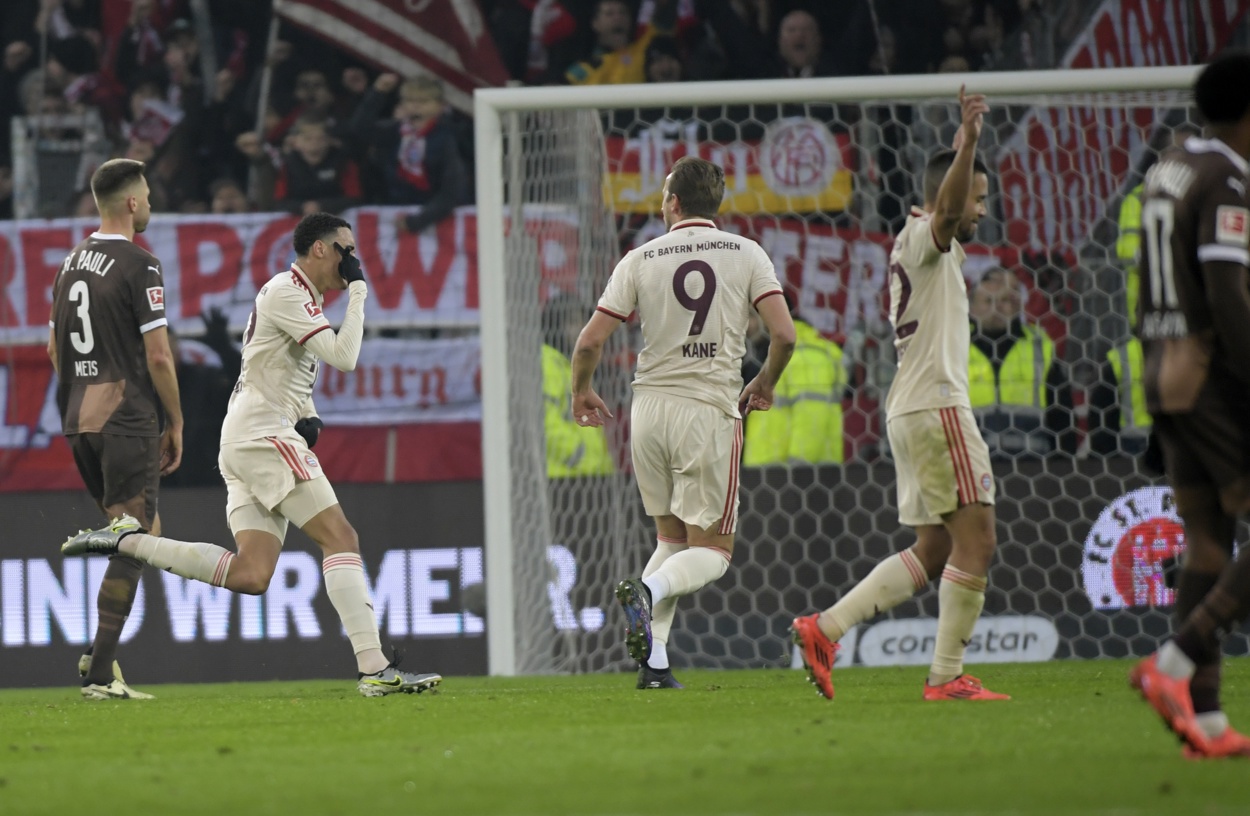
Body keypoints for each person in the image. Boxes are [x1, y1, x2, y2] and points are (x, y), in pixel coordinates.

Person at [63, 212, 441, 698]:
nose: (354, 261)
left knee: (251, 574)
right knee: (340, 536)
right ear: (320, 249)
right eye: (347, 251)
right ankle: (375, 668)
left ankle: (126, 542)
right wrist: (361, 292)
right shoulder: (287, 289)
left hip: (247, 436)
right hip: (262, 435)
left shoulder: (298, 296)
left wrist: (308, 411)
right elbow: (344, 357)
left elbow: (273, 365)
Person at [790, 87, 1010, 702]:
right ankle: (946, 676)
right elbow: (946, 213)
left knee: (936, 547)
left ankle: (824, 628)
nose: (981, 212)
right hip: (937, 408)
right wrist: (967, 142)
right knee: (980, 539)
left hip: (912, 409)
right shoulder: (924, 236)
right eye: (978, 200)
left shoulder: (926, 251)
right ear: (948, 195)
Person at [571, 156, 796, 690]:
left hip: (647, 411)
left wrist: (580, 390)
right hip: (707, 408)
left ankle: (654, 664)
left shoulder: (641, 257)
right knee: (713, 553)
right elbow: (784, 336)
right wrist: (764, 382)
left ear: (672, 203)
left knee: (670, 539)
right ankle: (646, 595)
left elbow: (589, 341)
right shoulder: (746, 253)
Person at [1129, 51, 1250, 759]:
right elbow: (1229, 291)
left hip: (1162, 372)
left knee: (1208, 542)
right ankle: (1173, 664)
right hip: (1211, 375)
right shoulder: (1226, 179)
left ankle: (1202, 722)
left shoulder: (1169, 166)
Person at [48, 158, 183, 700]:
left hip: (78, 417)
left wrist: (84, 391)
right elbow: (159, 356)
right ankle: (100, 669)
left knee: (143, 533)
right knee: (134, 536)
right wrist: (175, 419)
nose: (149, 202)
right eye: (146, 194)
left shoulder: (69, 264)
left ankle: (99, 657)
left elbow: (54, 349)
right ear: (131, 202)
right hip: (126, 417)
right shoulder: (139, 264)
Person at [967, 268, 1073, 457]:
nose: (997, 307)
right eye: (988, 301)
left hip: (1034, 467)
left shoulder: (1039, 346)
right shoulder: (953, 347)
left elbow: (1061, 414)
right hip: (970, 469)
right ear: (971, 307)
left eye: (1005, 300)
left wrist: (1062, 467)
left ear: (1018, 306)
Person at [742, 294, 847, 466]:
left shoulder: (807, 356)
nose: (746, 327)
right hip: (768, 476)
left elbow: (812, 420)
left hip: (801, 480)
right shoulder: (768, 359)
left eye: (752, 317)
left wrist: (797, 473)